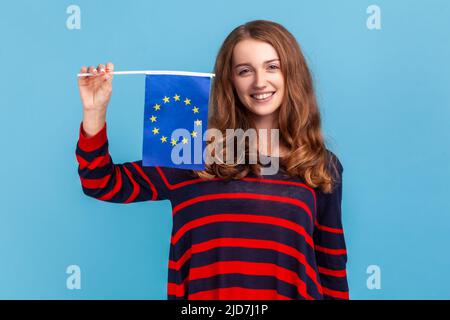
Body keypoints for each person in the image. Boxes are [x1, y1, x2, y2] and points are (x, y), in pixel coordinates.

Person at [76, 20, 349, 300]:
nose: (259, 81)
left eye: (272, 66)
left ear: (292, 73)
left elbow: (332, 270)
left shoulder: (319, 165)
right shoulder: (192, 152)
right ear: (229, 80)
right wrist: (94, 111)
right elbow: (101, 183)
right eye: (245, 71)